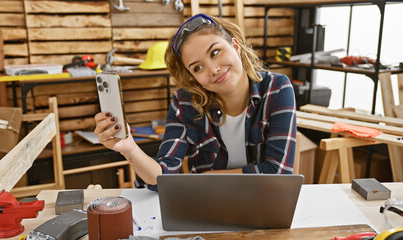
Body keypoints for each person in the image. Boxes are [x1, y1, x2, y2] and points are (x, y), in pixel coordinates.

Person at [94, 13, 297, 189]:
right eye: (197, 68)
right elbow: (162, 177)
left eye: (215, 52)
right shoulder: (184, 103)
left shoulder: (277, 88)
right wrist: (129, 148)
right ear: (193, 77)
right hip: (207, 207)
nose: (213, 70)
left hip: (262, 203)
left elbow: (278, 173)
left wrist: (207, 178)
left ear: (236, 46)